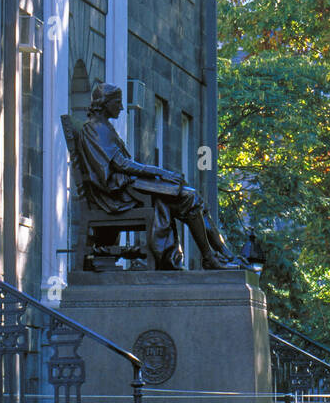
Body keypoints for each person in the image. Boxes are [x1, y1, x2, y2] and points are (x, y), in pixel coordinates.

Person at [76, 82, 241, 270]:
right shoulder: (95, 128)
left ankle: (223, 254)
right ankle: (211, 257)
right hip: (116, 196)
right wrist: (160, 172)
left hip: (125, 189)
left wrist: (161, 175)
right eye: (117, 102)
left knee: (193, 197)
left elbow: (121, 163)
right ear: (105, 103)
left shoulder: (103, 127)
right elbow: (121, 164)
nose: (121, 107)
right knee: (189, 197)